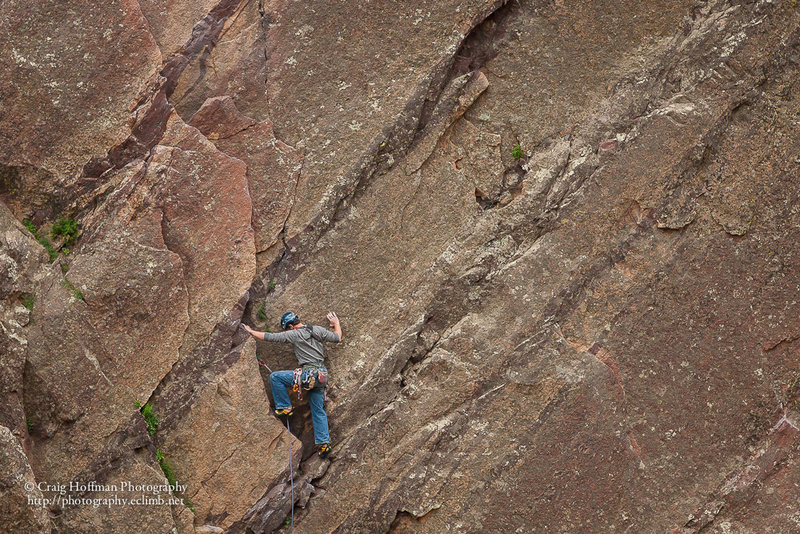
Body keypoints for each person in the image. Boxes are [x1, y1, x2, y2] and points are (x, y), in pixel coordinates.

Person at [242, 311, 342, 458]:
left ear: (290, 326)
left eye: (286, 329)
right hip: (322, 376)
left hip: (310, 373)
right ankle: (324, 444)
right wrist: (336, 324)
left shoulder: (295, 334)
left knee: (275, 377)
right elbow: (337, 338)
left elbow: (271, 337)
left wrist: (250, 331)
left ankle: (284, 407)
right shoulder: (317, 330)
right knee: (318, 410)